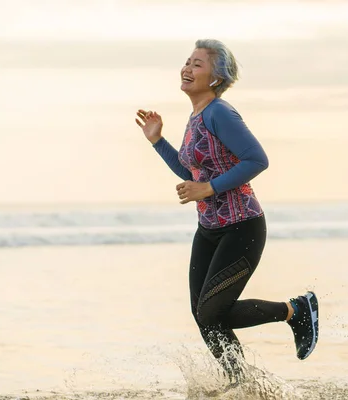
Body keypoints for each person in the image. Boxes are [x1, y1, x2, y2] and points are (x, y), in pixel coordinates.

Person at [135, 39, 319, 381]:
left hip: (242, 226)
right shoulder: (196, 116)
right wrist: (158, 140)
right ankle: (240, 381)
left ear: (216, 78)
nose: (187, 68)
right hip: (209, 229)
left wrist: (208, 188)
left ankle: (296, 310)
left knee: (211, 312)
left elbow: (257, 159)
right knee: (203, 314)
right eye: (187, 61)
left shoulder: (220, 111)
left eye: (198, 64)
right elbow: (191, 171)